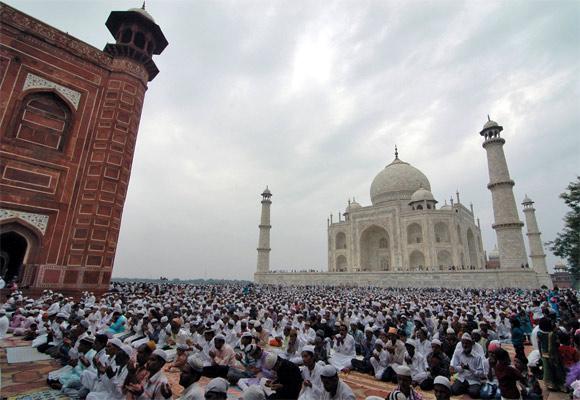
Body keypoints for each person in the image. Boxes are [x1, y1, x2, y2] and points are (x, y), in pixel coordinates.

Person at [450, 333, 485, 398]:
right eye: (463, 343)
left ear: (471, 344)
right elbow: (455, 368)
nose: (465, 345)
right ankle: (466, 388)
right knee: (454, 390)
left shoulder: (477, 357)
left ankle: (469, 388)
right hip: (462, 378)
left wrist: (470, 369)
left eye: (467, 343)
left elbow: (481, 373)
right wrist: (461, 368)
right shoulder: (459, 353)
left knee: (474, 393)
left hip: (473, 380)